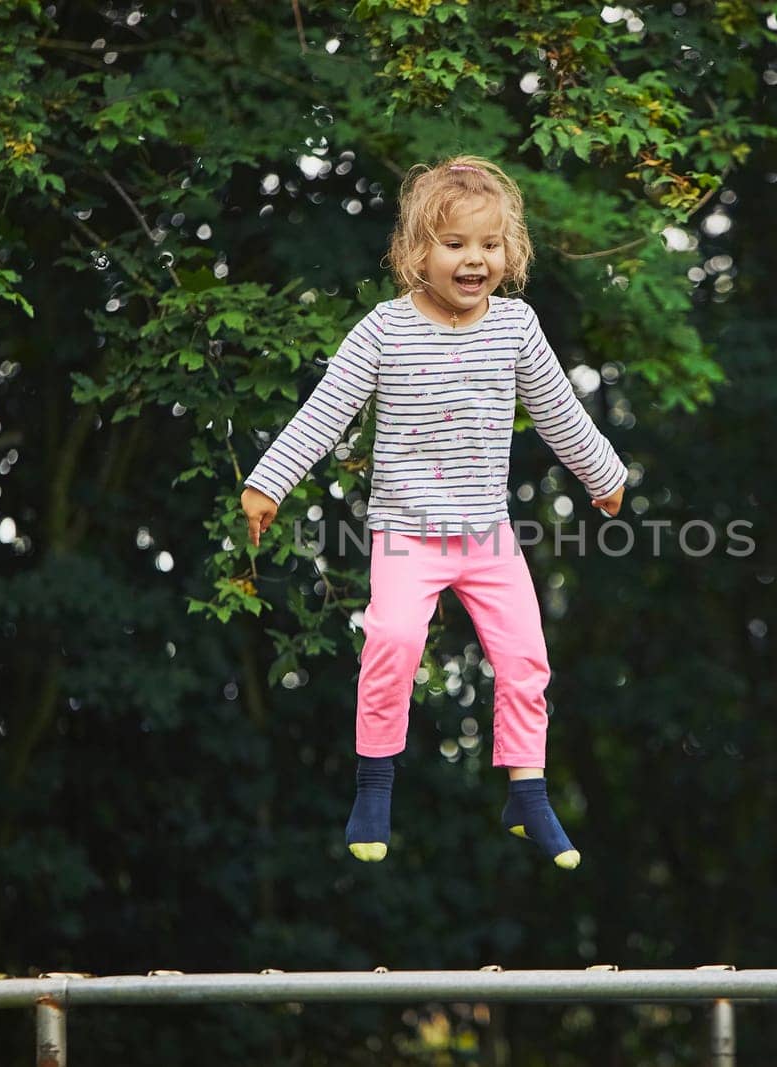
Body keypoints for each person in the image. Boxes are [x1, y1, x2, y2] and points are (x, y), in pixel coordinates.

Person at [239, 154, 626, 869]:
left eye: (489, 245)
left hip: (487, 535)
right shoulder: (384, 330)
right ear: (417, 252)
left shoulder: (515, 328)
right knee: (391, 642)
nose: (473, 259)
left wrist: (605, 475)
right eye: (454, 244)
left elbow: (559, 412)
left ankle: (527, 792)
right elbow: (325, 413)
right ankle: (374, 785)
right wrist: (267, 483)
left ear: (511, 254)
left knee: (524, 657)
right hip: (406, 535)